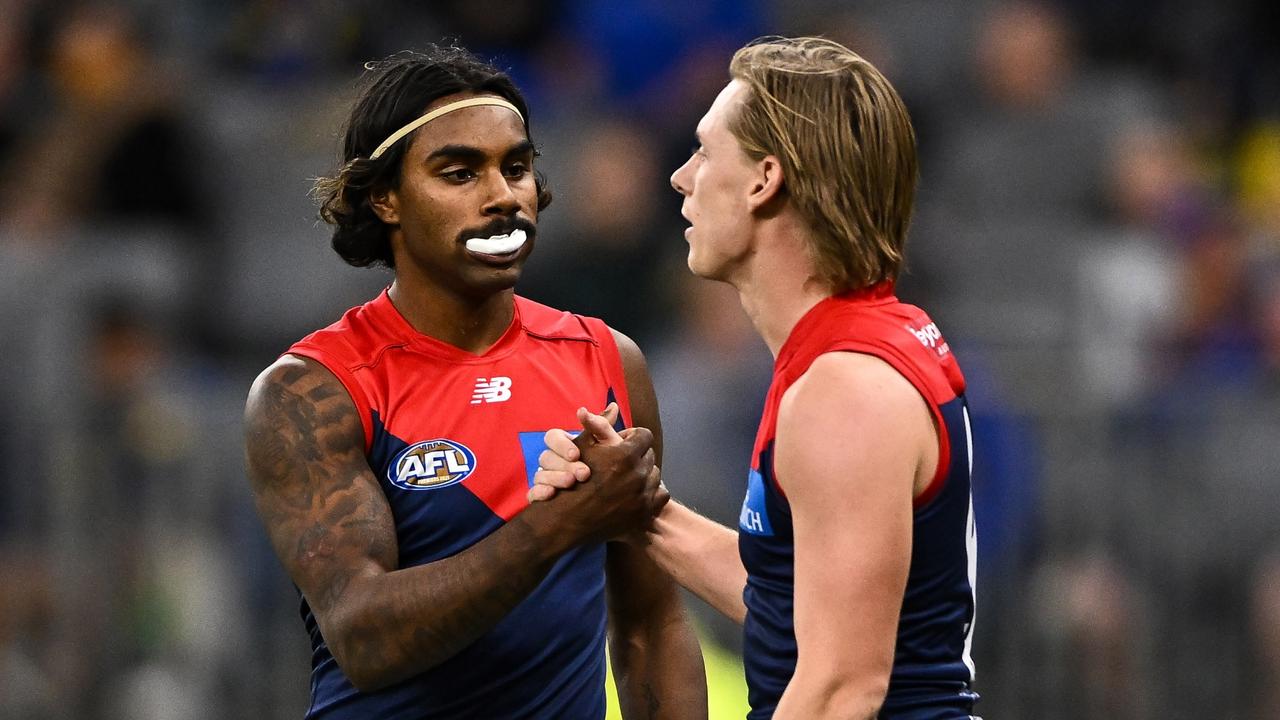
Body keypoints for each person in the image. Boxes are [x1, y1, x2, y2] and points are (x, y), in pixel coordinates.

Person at [243, 45, 706, 719]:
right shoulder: (312, 391)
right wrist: (556, 527)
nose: (502, 196)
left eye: (516, 168)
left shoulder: (606, 359)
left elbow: (650, 624)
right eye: (459, 173)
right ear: (386, 199)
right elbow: (363, 635)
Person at [534, 37, 980, 719]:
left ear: (764, 180)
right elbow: (790, 597)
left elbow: (841, 686)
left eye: (706, 152)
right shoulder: (849, 350)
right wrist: (634, 508)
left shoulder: (844, 389)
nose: (682, 178)